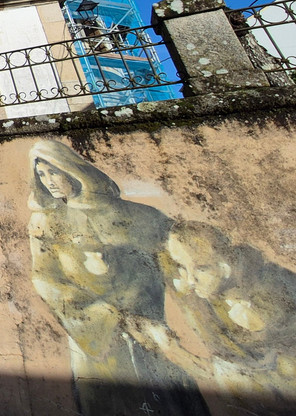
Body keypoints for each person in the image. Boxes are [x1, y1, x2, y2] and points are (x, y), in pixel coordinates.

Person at [28, 139, 209, 416]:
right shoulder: (45, 223)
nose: (49, 181)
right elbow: (45, 279)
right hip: (95, 337)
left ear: (72, 170)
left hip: (152, 330)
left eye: (54, 172)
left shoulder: (134, 215)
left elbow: (175, 255)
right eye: (42, 174)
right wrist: (107, 315)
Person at [128, 221, 296, 413]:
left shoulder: (269, 293)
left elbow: (253, 377)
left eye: (201, 268)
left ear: (226, 268)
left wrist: (261, 329)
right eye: (181, 266)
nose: (189, 280)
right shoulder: (201, 295)